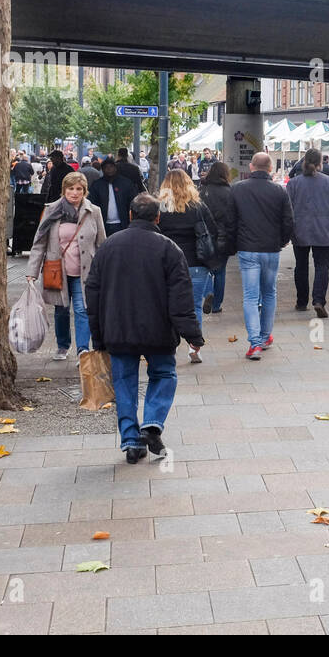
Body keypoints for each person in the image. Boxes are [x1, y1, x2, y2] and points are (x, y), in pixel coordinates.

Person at [86, 193, 204, 464]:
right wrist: (192, 335)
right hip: (158, 330)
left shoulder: (109, 247)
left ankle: (130, 440)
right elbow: (181, 298)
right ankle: (152, 423)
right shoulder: (169, 248)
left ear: (129, 215)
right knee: (163, 374)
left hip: (118, 329)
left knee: (124, 382)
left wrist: (98, 335)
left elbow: (92, 293)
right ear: (158, 217)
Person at [26, 171, 107, 360]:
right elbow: (39, 243)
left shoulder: (93, 212)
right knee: (61, 309)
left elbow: (101, 243)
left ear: (85, 191)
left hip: (84, 271)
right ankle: (63, 345)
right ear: (64, 190)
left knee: (81, 308)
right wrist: (32, 272)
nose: (74, 193)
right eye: (70, 189)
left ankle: (82, 350)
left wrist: (105, 270)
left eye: (79, 189)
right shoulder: (51, 210)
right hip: (57, 270)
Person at [230, 151, 294, 359]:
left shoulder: (238, 189)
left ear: (251, 167)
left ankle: (255, 343)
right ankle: (265, 336)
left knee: (250, 296)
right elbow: (288, 221)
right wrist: (282, 241)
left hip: (248, 249)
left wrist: (234, 242)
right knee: (269, 293)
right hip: (271, 249)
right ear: (270, 169)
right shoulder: (279, 191)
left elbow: (230, 220)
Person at [157, 169, 218, 365]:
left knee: (167, 306)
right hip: (196, 263)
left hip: (168, 264)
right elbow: (213, 230)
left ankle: (169, 345)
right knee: (193, 307)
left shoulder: (161, 208)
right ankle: (194, 346)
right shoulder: (197, 206)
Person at [287, 148, 329, 317]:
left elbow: (287, 211)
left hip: (300, 231)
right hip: (325, 231)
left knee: (301, 266)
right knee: (322, 266)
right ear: (321, 162)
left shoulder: (293, 183)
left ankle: (301, 302)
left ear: (304, 162)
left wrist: (286, 232)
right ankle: (319, 300)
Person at [198, 161, 235, 315]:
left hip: (205, 235)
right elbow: (232, 217)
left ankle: (208, 293)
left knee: (206, 268)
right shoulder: (229, 192)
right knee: (220, 272)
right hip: (223, 236)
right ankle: (216, 305)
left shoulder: (203, 190)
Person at [88, 157, 139, 238]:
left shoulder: (126, 183)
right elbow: (92, 203)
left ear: (115, 168)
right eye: (106, 167)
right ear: (102, 170)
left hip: (122, 224)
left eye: (111, 166)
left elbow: (133, 202)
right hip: (103, 225)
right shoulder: (97, 185)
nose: (109, 169)